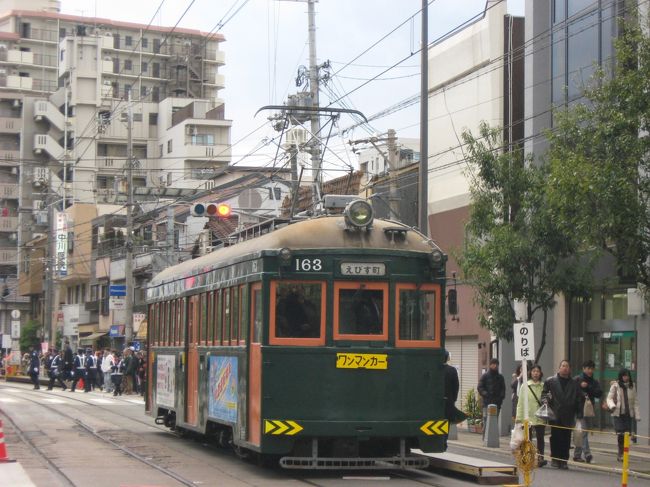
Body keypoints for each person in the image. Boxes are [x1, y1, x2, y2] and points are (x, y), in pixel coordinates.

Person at [541, 359, 581, 469]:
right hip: (555, 414)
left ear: (570, 369)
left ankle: (564, 460)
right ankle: (555, 458)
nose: (565, 368)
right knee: (555, 437)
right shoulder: (551, 381)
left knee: (566, 438)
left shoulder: (574, 383)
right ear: (559, 368)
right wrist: (545, 401)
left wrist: (579, 414)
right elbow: (544, 394)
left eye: (567, 366)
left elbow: (578, 399)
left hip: (569, 414)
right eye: (563, 365)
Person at [515, 364, 547, 467]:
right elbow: (520, 403)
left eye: (537, 371)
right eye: (534, 371)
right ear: (530, 373)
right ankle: (526, 457)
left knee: (540, 438)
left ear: (540, 373)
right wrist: (518, 418)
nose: (536, 373)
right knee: (526, 438)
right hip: (527, 416)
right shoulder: (525, 385)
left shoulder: (543, 386)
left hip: (540, 416)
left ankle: (540, 457)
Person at [607, 368, 640, 462]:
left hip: (628, 414)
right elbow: (609, 398)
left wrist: (637, 415)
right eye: (624, 375)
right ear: (621, 376)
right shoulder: (615, 385)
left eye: (627, 375)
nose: (626, 377)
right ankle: (620, 454)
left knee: (626, 434)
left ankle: (624, 454)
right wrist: (612, 406)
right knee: (621, 433)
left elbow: (635, 401)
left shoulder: (632, 386)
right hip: (618, 414)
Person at [573, 360, 602, 463]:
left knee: (580, 433)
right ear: (583, 368)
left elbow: (599, 393)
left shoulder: (594, 381)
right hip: (578, 410)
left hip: (589, 410)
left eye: (591, 368)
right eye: (588, 368)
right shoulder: (577, 379)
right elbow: (572, 392)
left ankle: (577, 455)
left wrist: (588, 387)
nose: (590, 370)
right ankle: (588, 454)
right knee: (583, 432)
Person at [477, 358, 506, 438]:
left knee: (494, 420)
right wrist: (485, 394)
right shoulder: (485, 376)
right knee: (486, 419)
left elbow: (503, 389)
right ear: (490, 365)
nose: (495, 366)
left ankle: (492, 437)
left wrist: (501, 397)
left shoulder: (500, 377)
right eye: (493, 364)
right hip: (487, 402)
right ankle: (485, 437)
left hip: (497, 403)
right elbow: (480, 387)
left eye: (496, 364)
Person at [443, 351, 460, 450]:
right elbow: (456, 386)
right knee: (446, 422)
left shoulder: (435, 369)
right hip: (448, 401)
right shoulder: (452, 370)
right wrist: (453, 399)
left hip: (434, 403)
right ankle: (444, 441)